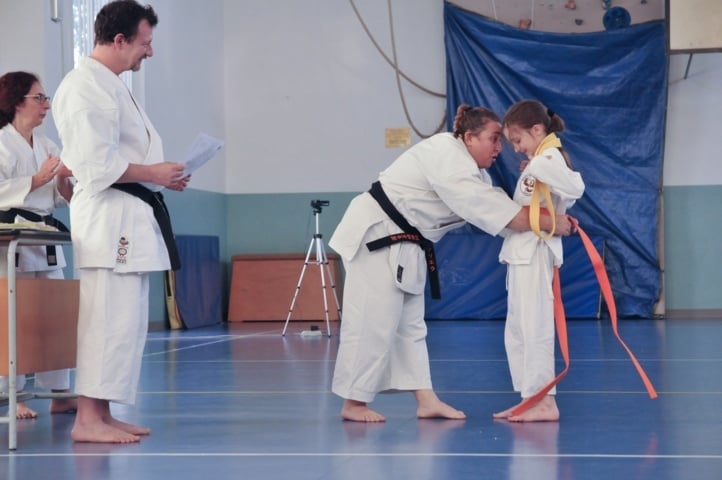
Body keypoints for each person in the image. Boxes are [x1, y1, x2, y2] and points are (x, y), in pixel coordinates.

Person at [329, 103, 574, 423]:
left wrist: (548, 217)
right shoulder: (448, 156)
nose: (499, 148)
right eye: (494, 139)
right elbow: (506, 216)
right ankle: (353, 403)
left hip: (408, 244)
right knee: (371, 320)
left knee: (410, 327)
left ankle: (426, 401)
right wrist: (553, 221)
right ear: (469, 137)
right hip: (377, 235)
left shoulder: (476, 175)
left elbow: (500, 215)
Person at [53, 0, 190, 443]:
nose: (149, 52)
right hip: (109, 220)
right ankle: (86, 420)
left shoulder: (108, 84)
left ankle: (104, 413)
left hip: (127, 216)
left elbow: (117, 154)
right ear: (119, 39)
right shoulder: (83, 87)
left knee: (124, 321)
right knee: (106, 319)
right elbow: (96, 163)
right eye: (144, 43)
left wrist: (160, 178)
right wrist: (153, 173)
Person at [493, 99, 585, 422]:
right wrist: (534, 165)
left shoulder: (548, 158)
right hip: (520, 253)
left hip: (535, 252)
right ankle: (529, 398)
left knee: (535, 328)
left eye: (518, 140)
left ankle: (545, 401)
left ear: (536, 130)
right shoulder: (539, 160)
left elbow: (575, 187)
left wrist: (538, 166)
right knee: (518, 330)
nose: (516, 148)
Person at [0, 71, 76, 419]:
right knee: (14, 318)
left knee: (55, 316)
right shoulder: (2, 142)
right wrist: (36, 179)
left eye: (46, 98)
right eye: (39, 98)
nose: (46, 105)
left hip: (43, 237)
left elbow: (60, 197)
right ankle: (11, 394)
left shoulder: (47, 146)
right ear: (17, 102)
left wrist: (65, 181)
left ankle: (60, 392)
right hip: (11, 240)